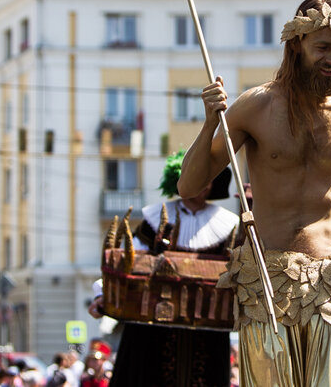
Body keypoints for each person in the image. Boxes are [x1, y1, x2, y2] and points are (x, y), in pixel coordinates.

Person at [179, 0, 331, 386]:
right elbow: (189, 185)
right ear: (296, 45)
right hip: (267, 277)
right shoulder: (257, 105)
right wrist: (211, 122)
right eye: (323, 48)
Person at [89, 151, 238, 387]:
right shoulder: (153, 219)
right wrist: (102, 294)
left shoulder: (230, 225)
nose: (200, 183)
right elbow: (130, 262)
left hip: (207, 327)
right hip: (152, 327)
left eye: (205, 177)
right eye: (193, 175)